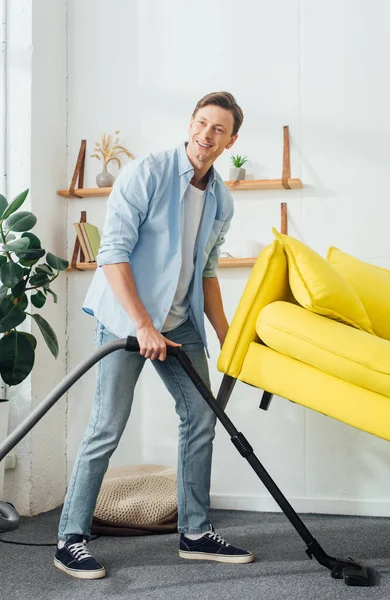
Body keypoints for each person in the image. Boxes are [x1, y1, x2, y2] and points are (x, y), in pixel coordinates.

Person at [54, 92, 253, 579]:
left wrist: (227, 336)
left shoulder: (222, 199)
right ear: (190, 125)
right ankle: (70, 538)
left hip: (179, 318)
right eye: (202, 123)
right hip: (128, 317)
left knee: (201, 416)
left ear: (231, 141)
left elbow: (206, 271)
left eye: (218, 129)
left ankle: (196, 532)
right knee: (108, 424)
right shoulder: (147, 173)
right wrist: (142, 325)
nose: (207, 134)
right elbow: (113, 254)